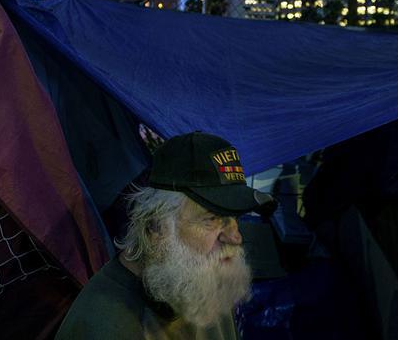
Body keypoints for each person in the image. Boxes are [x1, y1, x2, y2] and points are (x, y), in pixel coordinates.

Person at [55, 131, 277, 339]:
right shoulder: (107, 328)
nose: (235, 237)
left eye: (234, 217)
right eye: (212, 219)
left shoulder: (200, 280)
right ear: (155, 228)